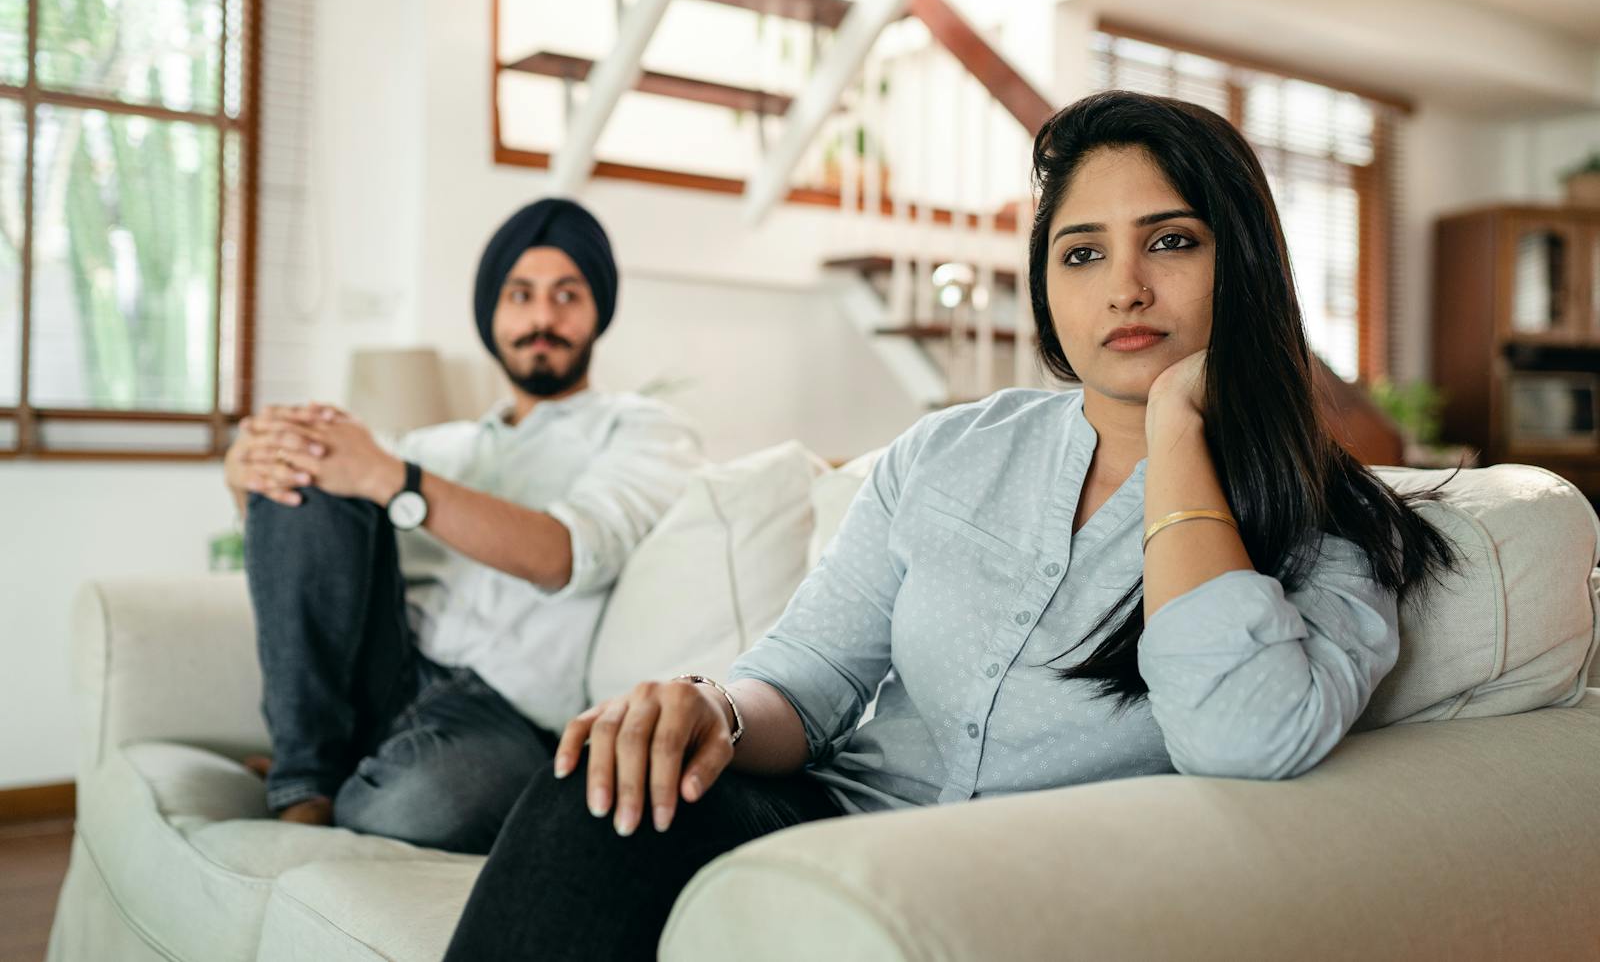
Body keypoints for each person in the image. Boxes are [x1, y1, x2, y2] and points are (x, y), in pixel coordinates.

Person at [442, 92, 1464, 959]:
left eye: (1170, 240)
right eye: (1081, 252)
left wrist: (1178, 426)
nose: (1124, 288)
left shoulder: (1331, 528)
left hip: (1022, 893)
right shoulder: (950, 451)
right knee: (599, 783)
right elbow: (810, 676)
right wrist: (711, 707)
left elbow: (1240, 735)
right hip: (830, 828)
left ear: (1242, 262)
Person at [221, 197, 703, 854]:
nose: (542, 318)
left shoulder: (643, 429)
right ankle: (307, 786)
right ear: (491, 313)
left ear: (598, 312)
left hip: (505, 715)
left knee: (418, 802)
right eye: (521, 295)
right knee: (314, 456)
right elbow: (310, 549)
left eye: (567, 295)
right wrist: (248, 470)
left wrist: (397, 482)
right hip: (388, 669)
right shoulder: (436, 446)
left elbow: (568, 553)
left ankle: (330, 777)